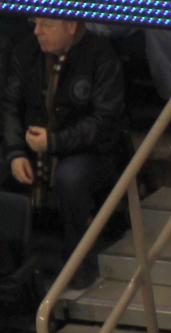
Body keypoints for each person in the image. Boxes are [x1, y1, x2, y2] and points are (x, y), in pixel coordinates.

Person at [1, 17, 127, 288]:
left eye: (46, 25)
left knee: (71, 178)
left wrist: (55, 142)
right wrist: (15, 153)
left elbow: (104, 122)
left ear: (71, 26)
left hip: (90, 150)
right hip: (33, 143)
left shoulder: (101, 55)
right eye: (36, 23)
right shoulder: (25, 51)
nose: (37, 31)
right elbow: (10, 105)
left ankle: (79, 262)